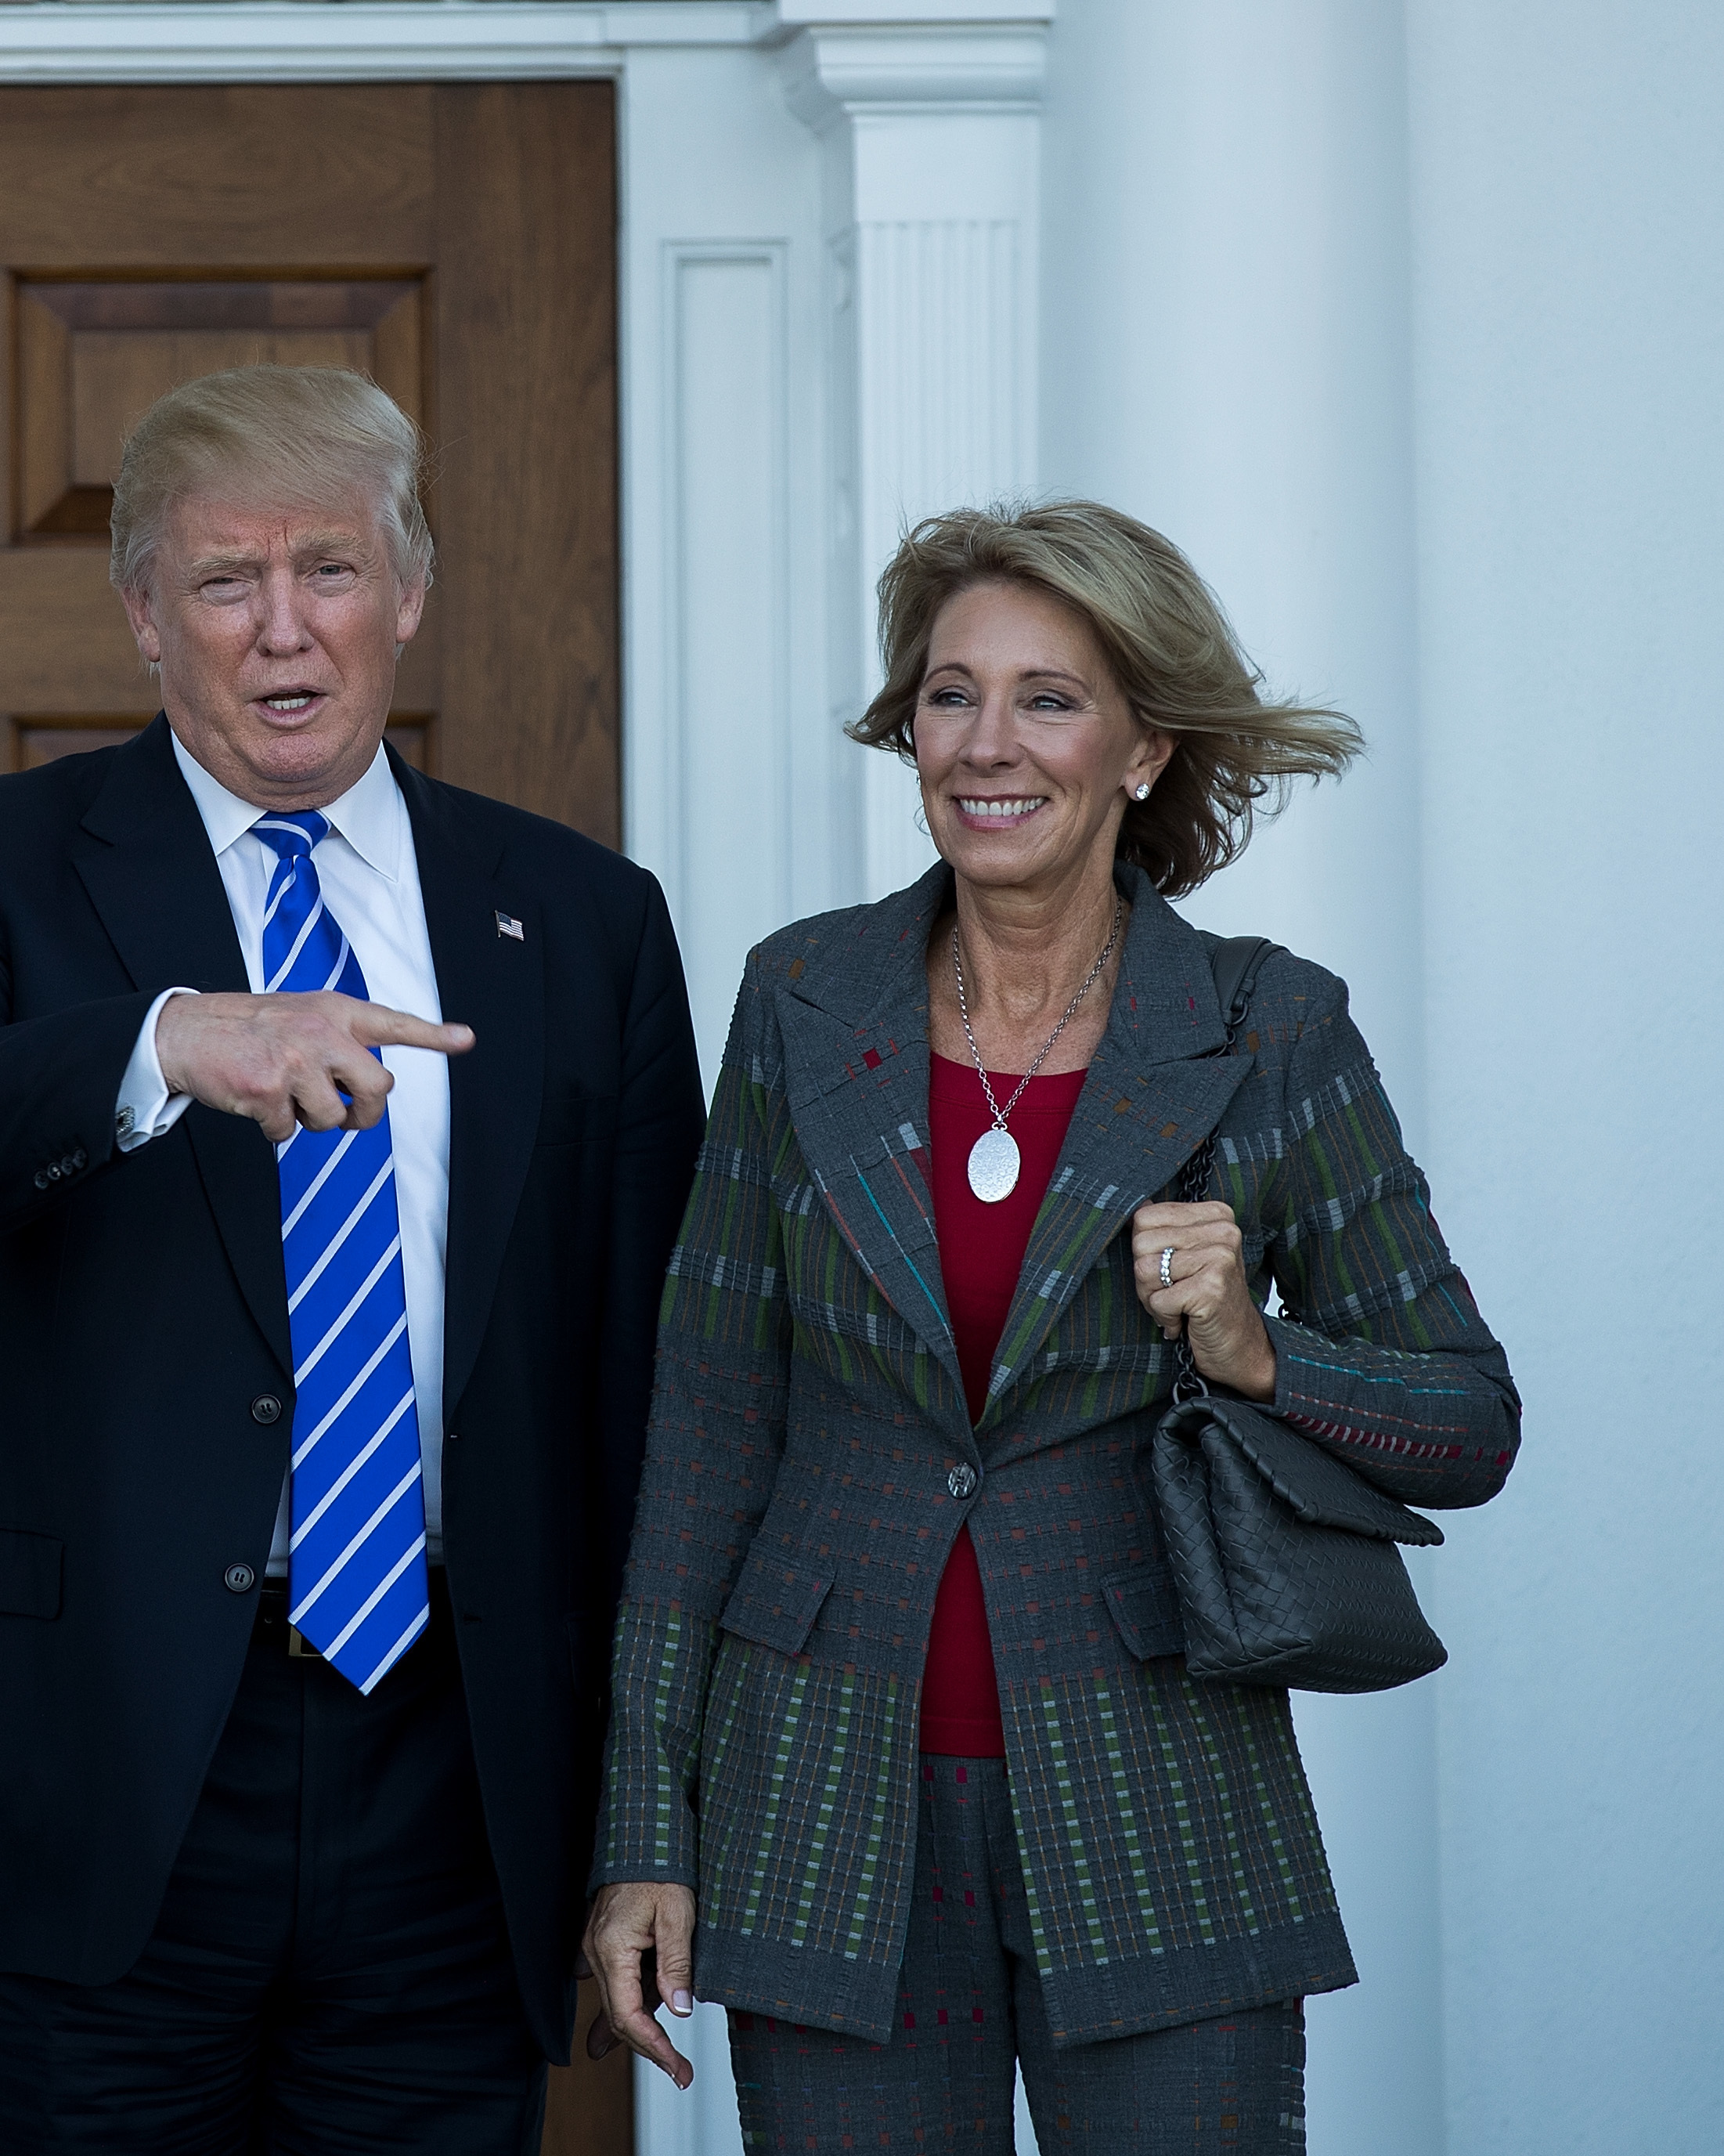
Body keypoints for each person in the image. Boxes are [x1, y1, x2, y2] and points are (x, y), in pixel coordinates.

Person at [0, 365, 706, 2149]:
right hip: (89, 1774)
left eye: (329, 570)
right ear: (143, 615)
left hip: (455, 1773)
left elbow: (645, 1385)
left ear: (408, 597)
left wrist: (645, 1807)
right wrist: (164, 1043)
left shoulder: (580, 916)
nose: (284, 629)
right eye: (223, 582)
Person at [579, 502, 1520, 2147]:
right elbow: (710, 1426)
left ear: (1145, 748)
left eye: (1048, 697)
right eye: (949, 695)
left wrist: (1256, 1350)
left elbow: (1466, 1423)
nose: (986, 745)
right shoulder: (799, 999)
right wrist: (643, 1827)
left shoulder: (1262, 1022)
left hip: (1157, 1790)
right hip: (820, 1795)